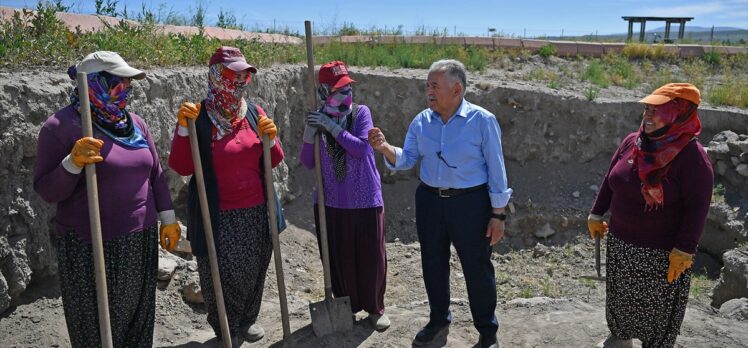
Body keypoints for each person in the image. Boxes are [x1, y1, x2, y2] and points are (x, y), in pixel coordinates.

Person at [33, 51, 179, 347]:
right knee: (97, 329)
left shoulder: (135, 124)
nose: (125, 91)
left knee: (138, 319)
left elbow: (155, 171)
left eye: (128, 84)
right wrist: (71, 163)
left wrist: (167, 218)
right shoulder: (61, 127)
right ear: (95, 84)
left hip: (140, 240)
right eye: (117, 83)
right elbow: (47, 191)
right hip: (91, 245)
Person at [368, 59, 511, 348]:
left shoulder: (482, 121)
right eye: (427, 86)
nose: (428, 92)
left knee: (477, 267)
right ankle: (438, 319)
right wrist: (384, 147)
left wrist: (498, 215)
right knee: (432, 263)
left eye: (435, 86)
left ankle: (487, 330)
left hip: (471, 203)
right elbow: (407, 158)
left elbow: (497, 170)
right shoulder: (422, 121)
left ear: (457, 88)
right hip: (430, 201)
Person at [168, 46, 285, 347]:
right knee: (222, 274)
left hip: (258, 210)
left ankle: (247, 320)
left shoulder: (254, 113)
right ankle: (226, 327)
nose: (241, 80)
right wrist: (183, 130)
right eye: (234, 74)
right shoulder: (199, 117)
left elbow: (274, 160)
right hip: (218, 214)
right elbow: (181, 166)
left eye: (245, 74)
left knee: (256, 269)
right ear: (216, 75)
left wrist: (271, 139)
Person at [588, 83, 713, 348]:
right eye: (647, 108)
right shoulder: (632, 142)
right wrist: (597, 213)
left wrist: (685, 249)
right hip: (622, 247)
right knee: (621, 304)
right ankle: (620, 339)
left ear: (680, 114)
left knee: (657, 318)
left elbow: (697, 207)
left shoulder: (693, 157)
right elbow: (611, 178)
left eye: (658, 110)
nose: (648, 115)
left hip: (661, 256)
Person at [300, 60, 389, 330]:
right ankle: (345, 307)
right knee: (339, 259)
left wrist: (333, 127)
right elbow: (307, 162)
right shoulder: (318, 117)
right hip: (330, 202)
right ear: (325, 92)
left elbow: (361, 149)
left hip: (364, 200)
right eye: (339, 89)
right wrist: (310, 132)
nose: (346, 95)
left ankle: (375, 308)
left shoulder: (361, 113)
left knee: (371, 258)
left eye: (348, 88)